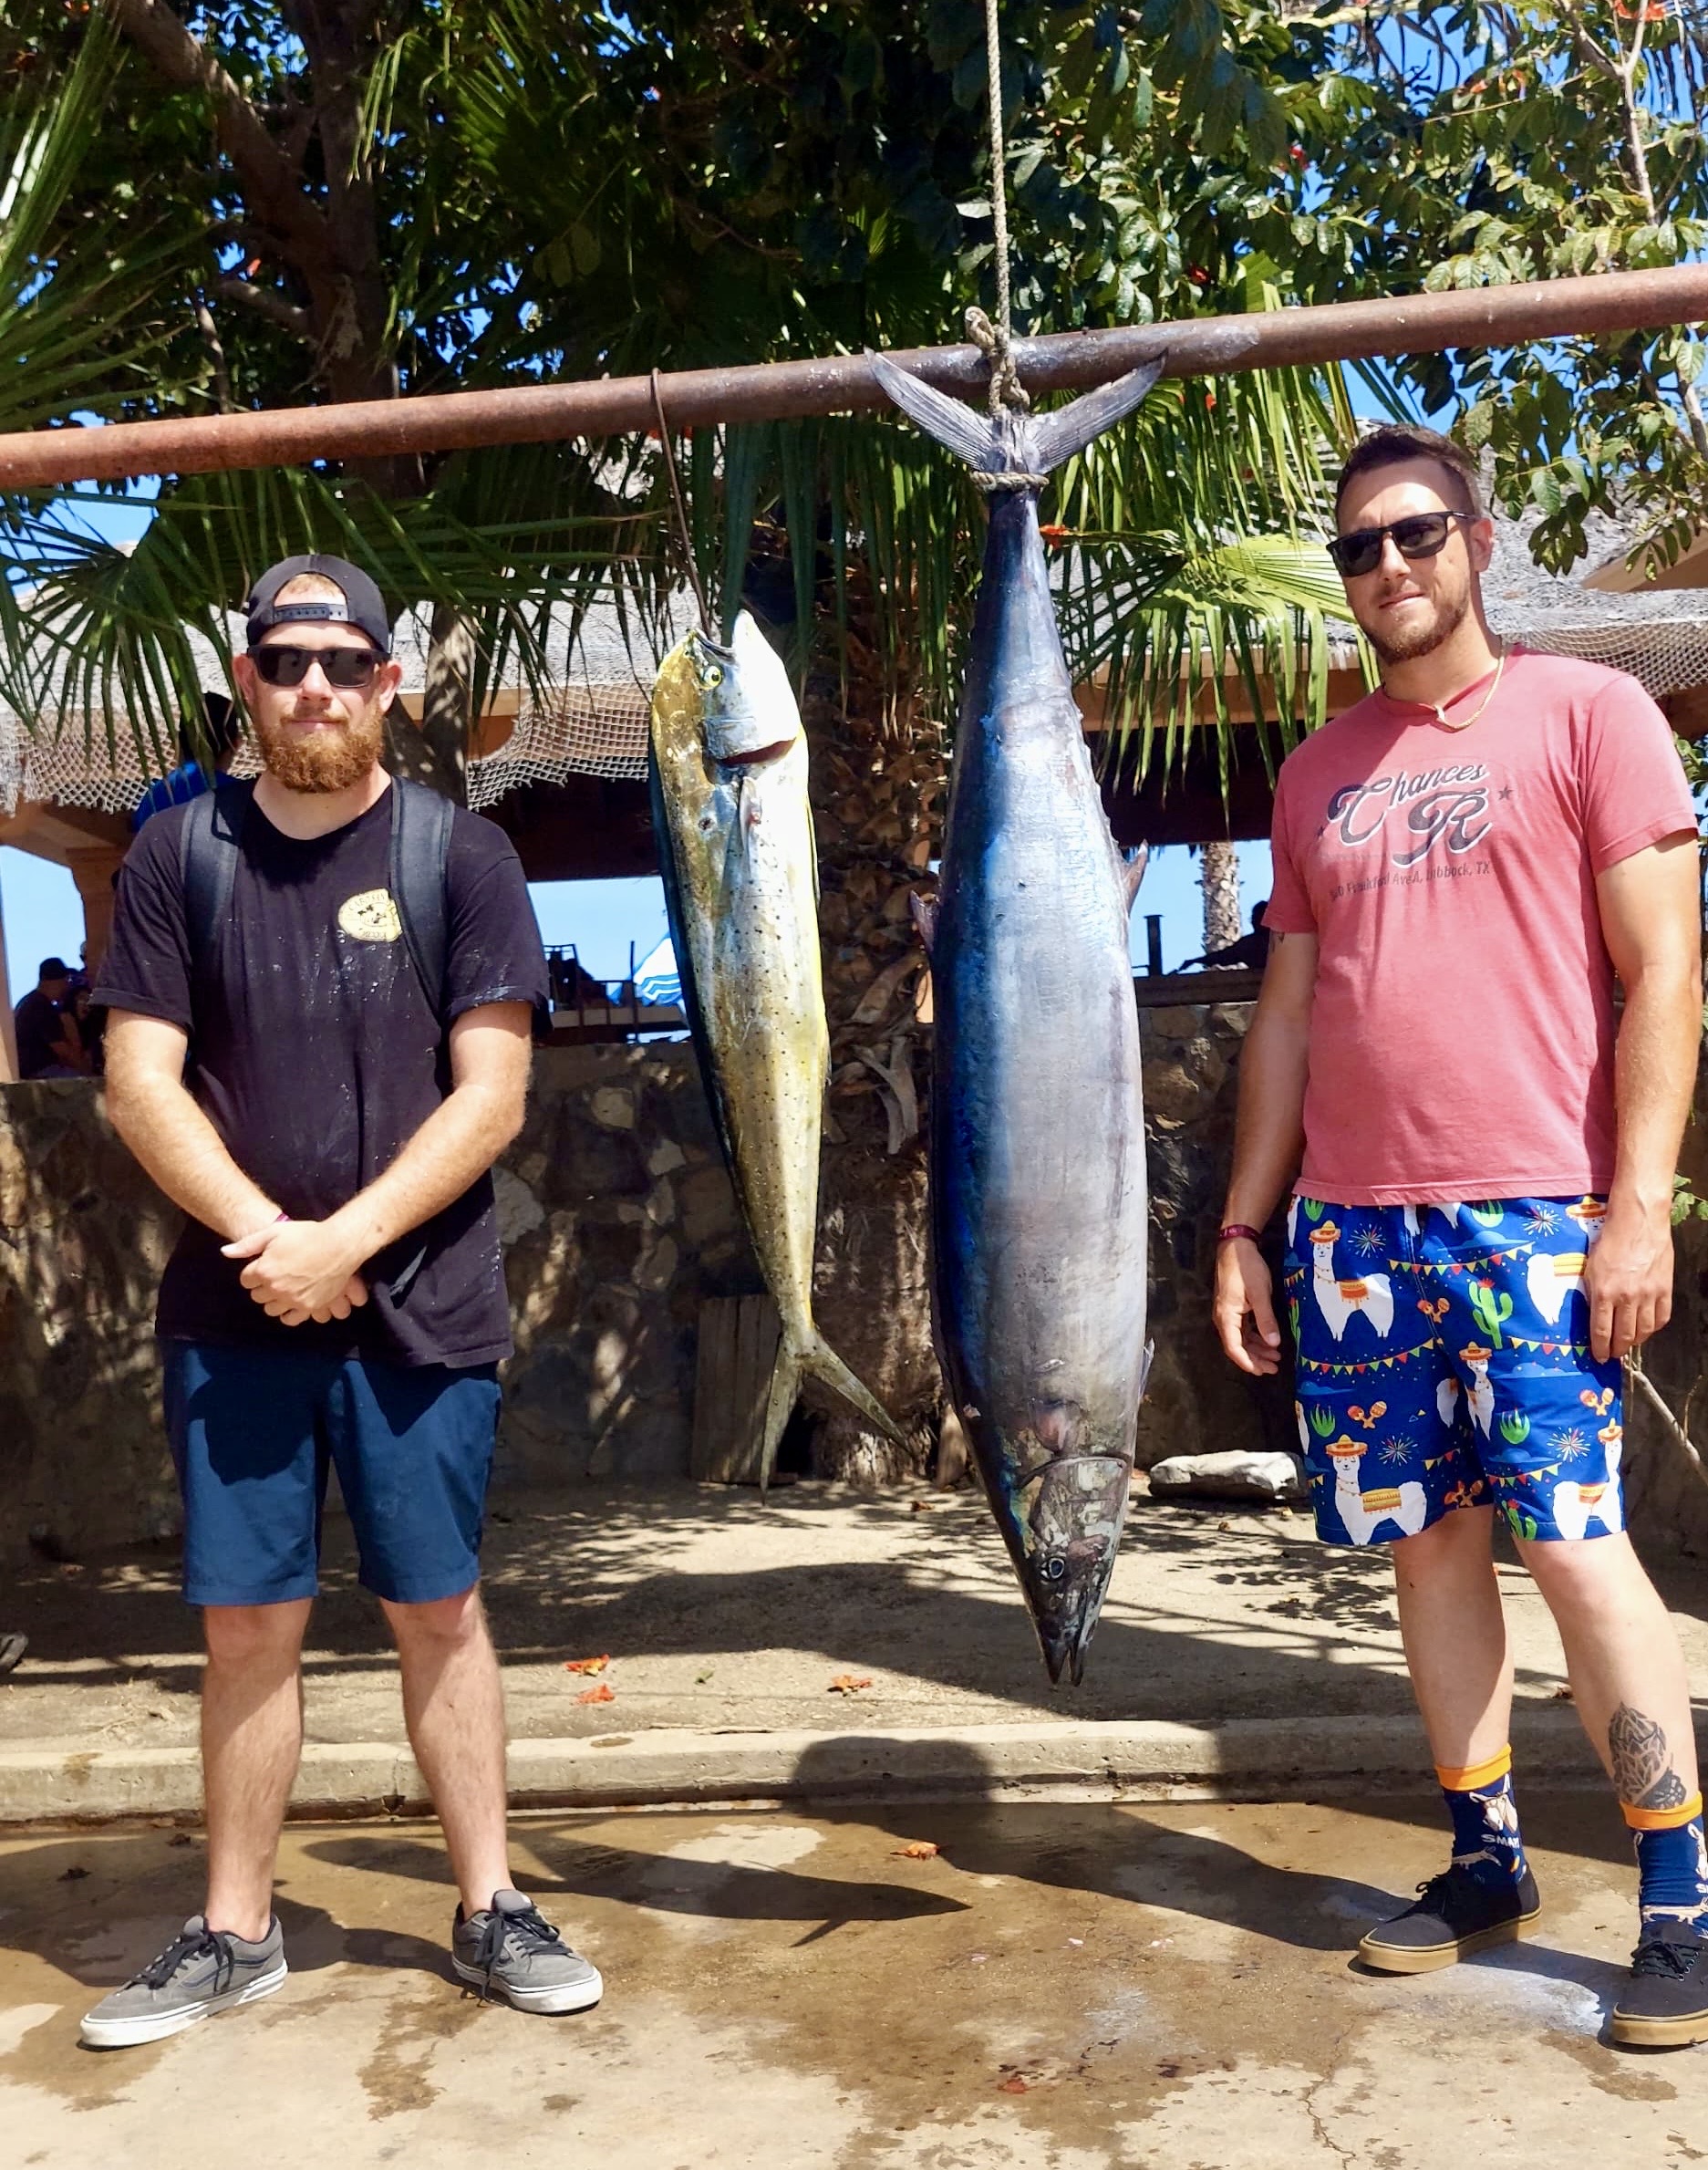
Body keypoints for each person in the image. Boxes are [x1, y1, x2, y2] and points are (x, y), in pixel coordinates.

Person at [1213, 424, 1707, 2050]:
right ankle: (1482, 1853)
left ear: (1476, 540)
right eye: (1355, 547)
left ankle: (1676, 1895)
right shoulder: (1312, 774)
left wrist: (1634, 1199)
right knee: (1423, 1545)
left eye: (1412, 534)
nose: (1386, 569)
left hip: (1532, 1216)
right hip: (1352, 1229)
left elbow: (1666, 976)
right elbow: (1285, 1013)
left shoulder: (1588, 713)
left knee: (1571, 1546)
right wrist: (1244, 1221)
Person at [84, 552, 600, 2051]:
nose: (314, 682)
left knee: (435, 1606)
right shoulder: (179, 857)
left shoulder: (462, 859)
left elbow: (490, 1093)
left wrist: (350, 1241)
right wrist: (269, 1239)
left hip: (422, 1307)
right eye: (284, 657)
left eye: (343, 658)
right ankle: (234, 1928)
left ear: (391, 683)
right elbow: (137, 1077)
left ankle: (490, 1900)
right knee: (247, 1623)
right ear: (245, 680)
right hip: (233, 1304)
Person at [12, 957, 84, 1078]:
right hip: (40, 1071)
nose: (67, 986)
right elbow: (63, 1050)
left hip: (27, 1071)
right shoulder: (41, 1006)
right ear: (52, 982)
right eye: (65, 981)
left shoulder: (27, 1001)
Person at [1181, 899, 1272, 973]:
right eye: (1252, 919)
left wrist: (1194, 961)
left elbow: (1224, 956)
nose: (1253, 922)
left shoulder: (1250, 944)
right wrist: (1195, 961)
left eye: (1255, 918)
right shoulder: (1248, 944)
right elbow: (1223, 956)